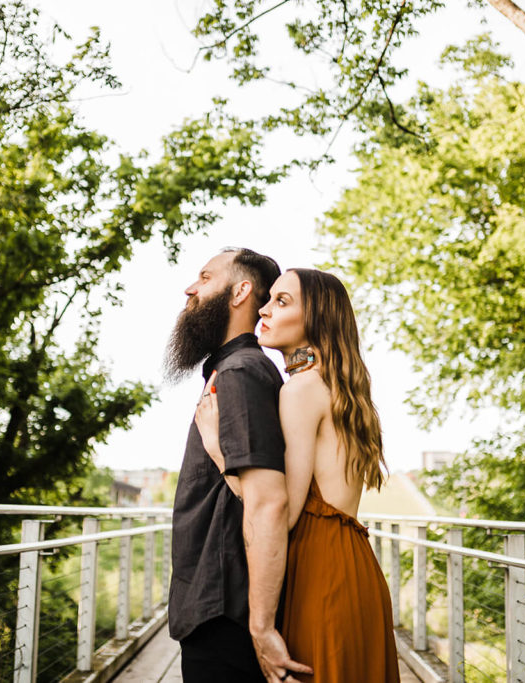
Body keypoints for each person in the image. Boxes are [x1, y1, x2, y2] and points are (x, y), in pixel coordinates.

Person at [195, 268, 400, 683]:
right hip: (358, 568)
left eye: (282, 301)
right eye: (268, 299)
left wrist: (218, 449)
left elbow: (282, 509)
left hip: (320, 572)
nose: (264, 310)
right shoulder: (343, 389)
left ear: (317, 319)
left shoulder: (301, 389)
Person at [165, 248, 313, 683]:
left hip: (224, 613)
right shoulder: (240, 369)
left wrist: (261, 628)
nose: (191, 288)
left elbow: (268, 504)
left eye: (206, 277)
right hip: (218, 608)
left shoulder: (240, 372)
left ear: (240, 291)